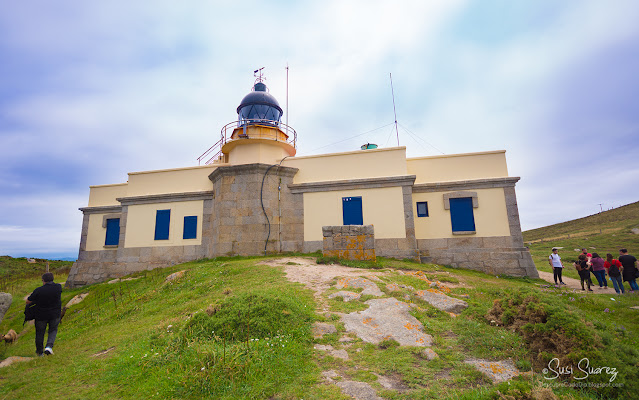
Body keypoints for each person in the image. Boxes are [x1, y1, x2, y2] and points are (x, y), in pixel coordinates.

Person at [26, 272, 62, 356]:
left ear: (43, 280)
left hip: (41, 315)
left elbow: (28, 301)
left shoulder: (38, 290)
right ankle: (49, 347)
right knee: (53, 330)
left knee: (40, 333)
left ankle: (40, 352)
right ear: (52, 279)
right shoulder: (58, 287)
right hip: (55, 314)